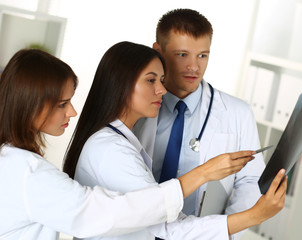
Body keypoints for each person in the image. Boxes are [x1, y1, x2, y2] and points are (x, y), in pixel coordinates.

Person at [63, 41, 286, 240]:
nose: (161, 89)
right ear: (120, 84)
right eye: (151, 80)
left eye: (161, 80)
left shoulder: (119, 141)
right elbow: (168, 227)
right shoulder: (110, 149)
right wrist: (254, 215)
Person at [1, 48, 208, 240]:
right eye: (62, 104)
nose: (72, 112)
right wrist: (201, 175)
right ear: (30, 104)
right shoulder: (27, 171)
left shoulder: (13, 162)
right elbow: (99, 213)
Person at [133, 9, 266, 239]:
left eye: (202, 55)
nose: (194, 67)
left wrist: (227, 231)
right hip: (139, 231)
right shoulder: (134, 106)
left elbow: (250, 180)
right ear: (158, 50)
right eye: (182, 54)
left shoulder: (238, 112)